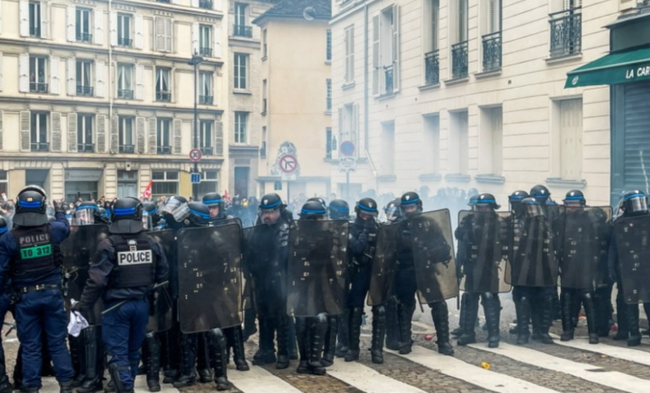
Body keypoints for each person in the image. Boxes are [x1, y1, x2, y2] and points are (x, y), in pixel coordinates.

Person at [73, 197, 169, 393]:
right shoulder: (151, 243)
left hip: (117, 307)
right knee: (133, 352)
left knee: (118, 355)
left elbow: (97, 281)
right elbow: (163, 273)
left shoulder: (108, 245)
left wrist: (83, 305)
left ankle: (125, 389)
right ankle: (127, 385)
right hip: (141, 305)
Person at [0, 186, 75, 393]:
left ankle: (31, 387)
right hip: (52, 296)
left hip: (26, 298)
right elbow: (65, 225)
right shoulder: (54, 230)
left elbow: (2, 271)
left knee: (31, 346)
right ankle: (66, 385)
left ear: (18, 208)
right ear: (43, 207)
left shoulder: (9, 238)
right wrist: (59, 209)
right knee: (57, 343)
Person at [394, 192, 454, 356]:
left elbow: (444, 250)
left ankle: (444, 342)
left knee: (438, 303)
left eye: (411, 207)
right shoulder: (398, 226)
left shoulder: (429, 224)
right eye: (405, 208)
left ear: (418, 207)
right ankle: (405, 341)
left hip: (426, 269)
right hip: (406, 271)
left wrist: (427, 251)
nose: (408, 211)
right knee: (405, 305)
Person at [245, 194, 294, 369]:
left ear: (279, 210)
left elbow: (286, 256)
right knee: (264, 317)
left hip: (280, 279)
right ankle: (266, 349)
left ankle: (283, 352)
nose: (268, 215)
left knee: (281, 317)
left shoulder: (286, 229)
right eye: (265, 211)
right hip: (262, 279)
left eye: (272, 211)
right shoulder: (258, 229)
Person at [345, 198, 386, 363]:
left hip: (376, 273)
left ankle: (377, 349)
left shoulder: (380, 228)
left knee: (380, 310)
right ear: (357, 212)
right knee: (355, 310)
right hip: (359, 272)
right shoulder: (351, 228)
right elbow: (354, 249)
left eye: (369, 215)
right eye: (363, 214)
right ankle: (353, 348)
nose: (366, 218)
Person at [511, 197, 557, 345]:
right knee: (523, 300)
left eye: (534, 208)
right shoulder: (515, 224)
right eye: (529, 209)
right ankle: (523, 332)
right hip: (522, 269)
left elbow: (554, 243)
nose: (532, 212)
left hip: (543, 268)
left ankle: (542, 331)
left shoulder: (545, 224)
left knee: (544, 299)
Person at [609, 190, 650, 346]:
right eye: (635, 203)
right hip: (627, 267)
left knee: (648, 300)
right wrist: (610, 267)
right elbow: (614, 247)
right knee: (627, 300)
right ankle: (630, 331)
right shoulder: (620, 223)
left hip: (646, 266)